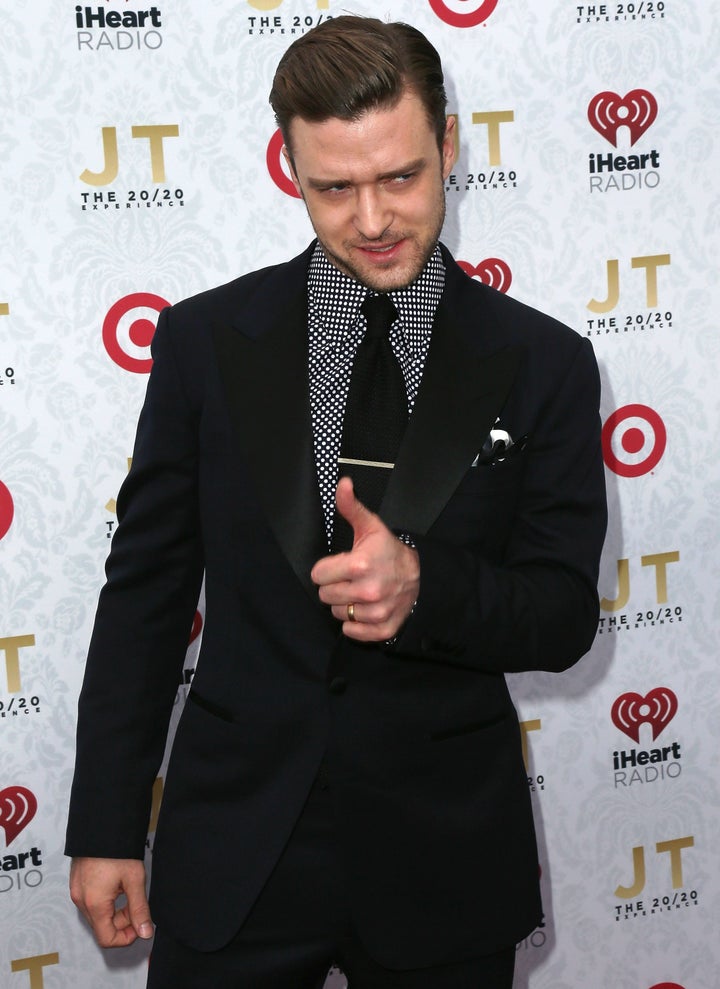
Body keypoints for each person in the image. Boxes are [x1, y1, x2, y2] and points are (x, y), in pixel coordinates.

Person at [66, 15, 607, 989]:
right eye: (335, 186)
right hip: (235, 848)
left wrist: (424, 587)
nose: (372, 218)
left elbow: (564, 611)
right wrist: (105, 824)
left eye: (400, 176)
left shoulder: (545, 363)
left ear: (447, 144)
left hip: (443, 861)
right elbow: (145, 595)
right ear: (290, 167)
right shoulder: (202, 344)